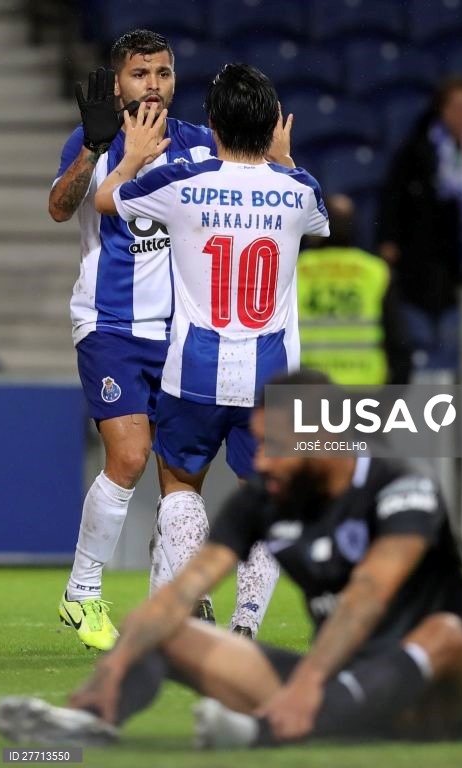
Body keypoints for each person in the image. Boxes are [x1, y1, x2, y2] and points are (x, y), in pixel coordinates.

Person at [0, 369, 462, 749]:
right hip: (333, 679)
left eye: (276, 446)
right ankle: (90, 723)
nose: (262, 461)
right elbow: (185, 589)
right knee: (173, 627)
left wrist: (309, 682)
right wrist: (120, 661)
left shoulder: (402, 486)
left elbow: (368, 596)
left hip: (436, 699)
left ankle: (263, 730)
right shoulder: (269, 498)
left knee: (444, 633)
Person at [94, 61, 329, 638]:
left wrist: (130, 154)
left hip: (193, 370)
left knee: (177, 486)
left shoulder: (180, 182)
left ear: (214, 124)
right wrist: (285, 159)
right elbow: (319, 222)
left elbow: (105, 201)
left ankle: (197, 595)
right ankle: (246, 624)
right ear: (273, 123)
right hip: (269, 378)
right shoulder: (300, 191)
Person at [49, 28, 219, 651]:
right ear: (118, 82)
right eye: (141, 74)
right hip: (111, 324)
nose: (154, 85)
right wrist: (101, 150)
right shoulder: (92, 139)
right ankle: (82, 592)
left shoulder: (199, 145)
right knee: (127, 457)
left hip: (181, 333)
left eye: (164, 73)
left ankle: (169, 600)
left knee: (182, 478)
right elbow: (62, 207)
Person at [378, 75, 462, 321]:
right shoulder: (419, 148)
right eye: (455, 106)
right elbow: (394, 195)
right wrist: (389, 238)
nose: (461, 113)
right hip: (429, 248)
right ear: (441, 110)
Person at [298, 194, 412, 386]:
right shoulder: (376, 271)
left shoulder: (294, 270)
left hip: (310, 390)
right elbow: (399, 342)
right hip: (365, 391)